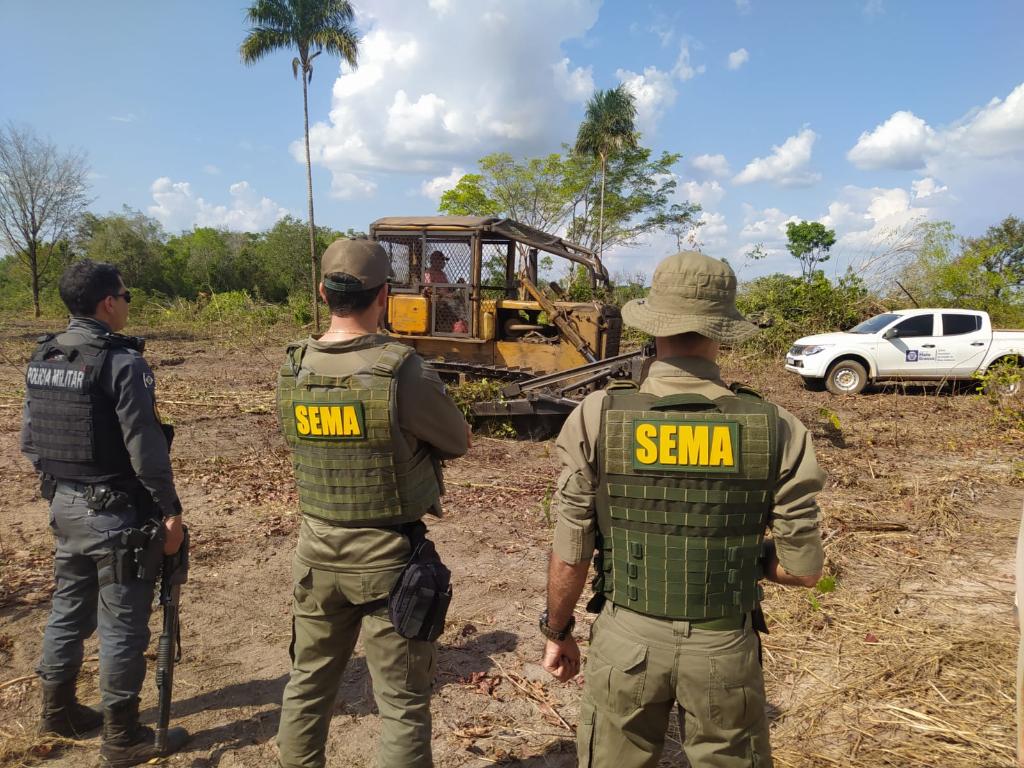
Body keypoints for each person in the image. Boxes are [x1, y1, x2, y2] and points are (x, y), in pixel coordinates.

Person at [540, 251, 826, 768]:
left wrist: (558, 632)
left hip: (625, 641)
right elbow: (803, 571)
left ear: (655, 326)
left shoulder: (597, 414)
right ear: (722, 329)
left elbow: (572, 550)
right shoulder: (776, 426)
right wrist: (742, 554)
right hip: (723, 647)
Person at [275, 239, 471, 768]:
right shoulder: (396, 369)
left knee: (307, 687)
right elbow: (457, 439)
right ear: (384, 294)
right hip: (390, 561)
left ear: (323, 292)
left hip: (315, 554)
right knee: (403, 705)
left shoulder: (294, 367)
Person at [20, 260, 188, 767]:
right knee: (122, 624)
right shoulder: (122, 363)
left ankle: (59, 710)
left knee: (69, 607)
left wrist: (67, 486)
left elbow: (30, 440)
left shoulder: (44, 355)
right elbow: (146, 447)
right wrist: (169, 510)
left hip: (64, 505)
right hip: (115, 516)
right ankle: (122, 737)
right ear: (107, 302)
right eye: (126, 293)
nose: (128, 302)